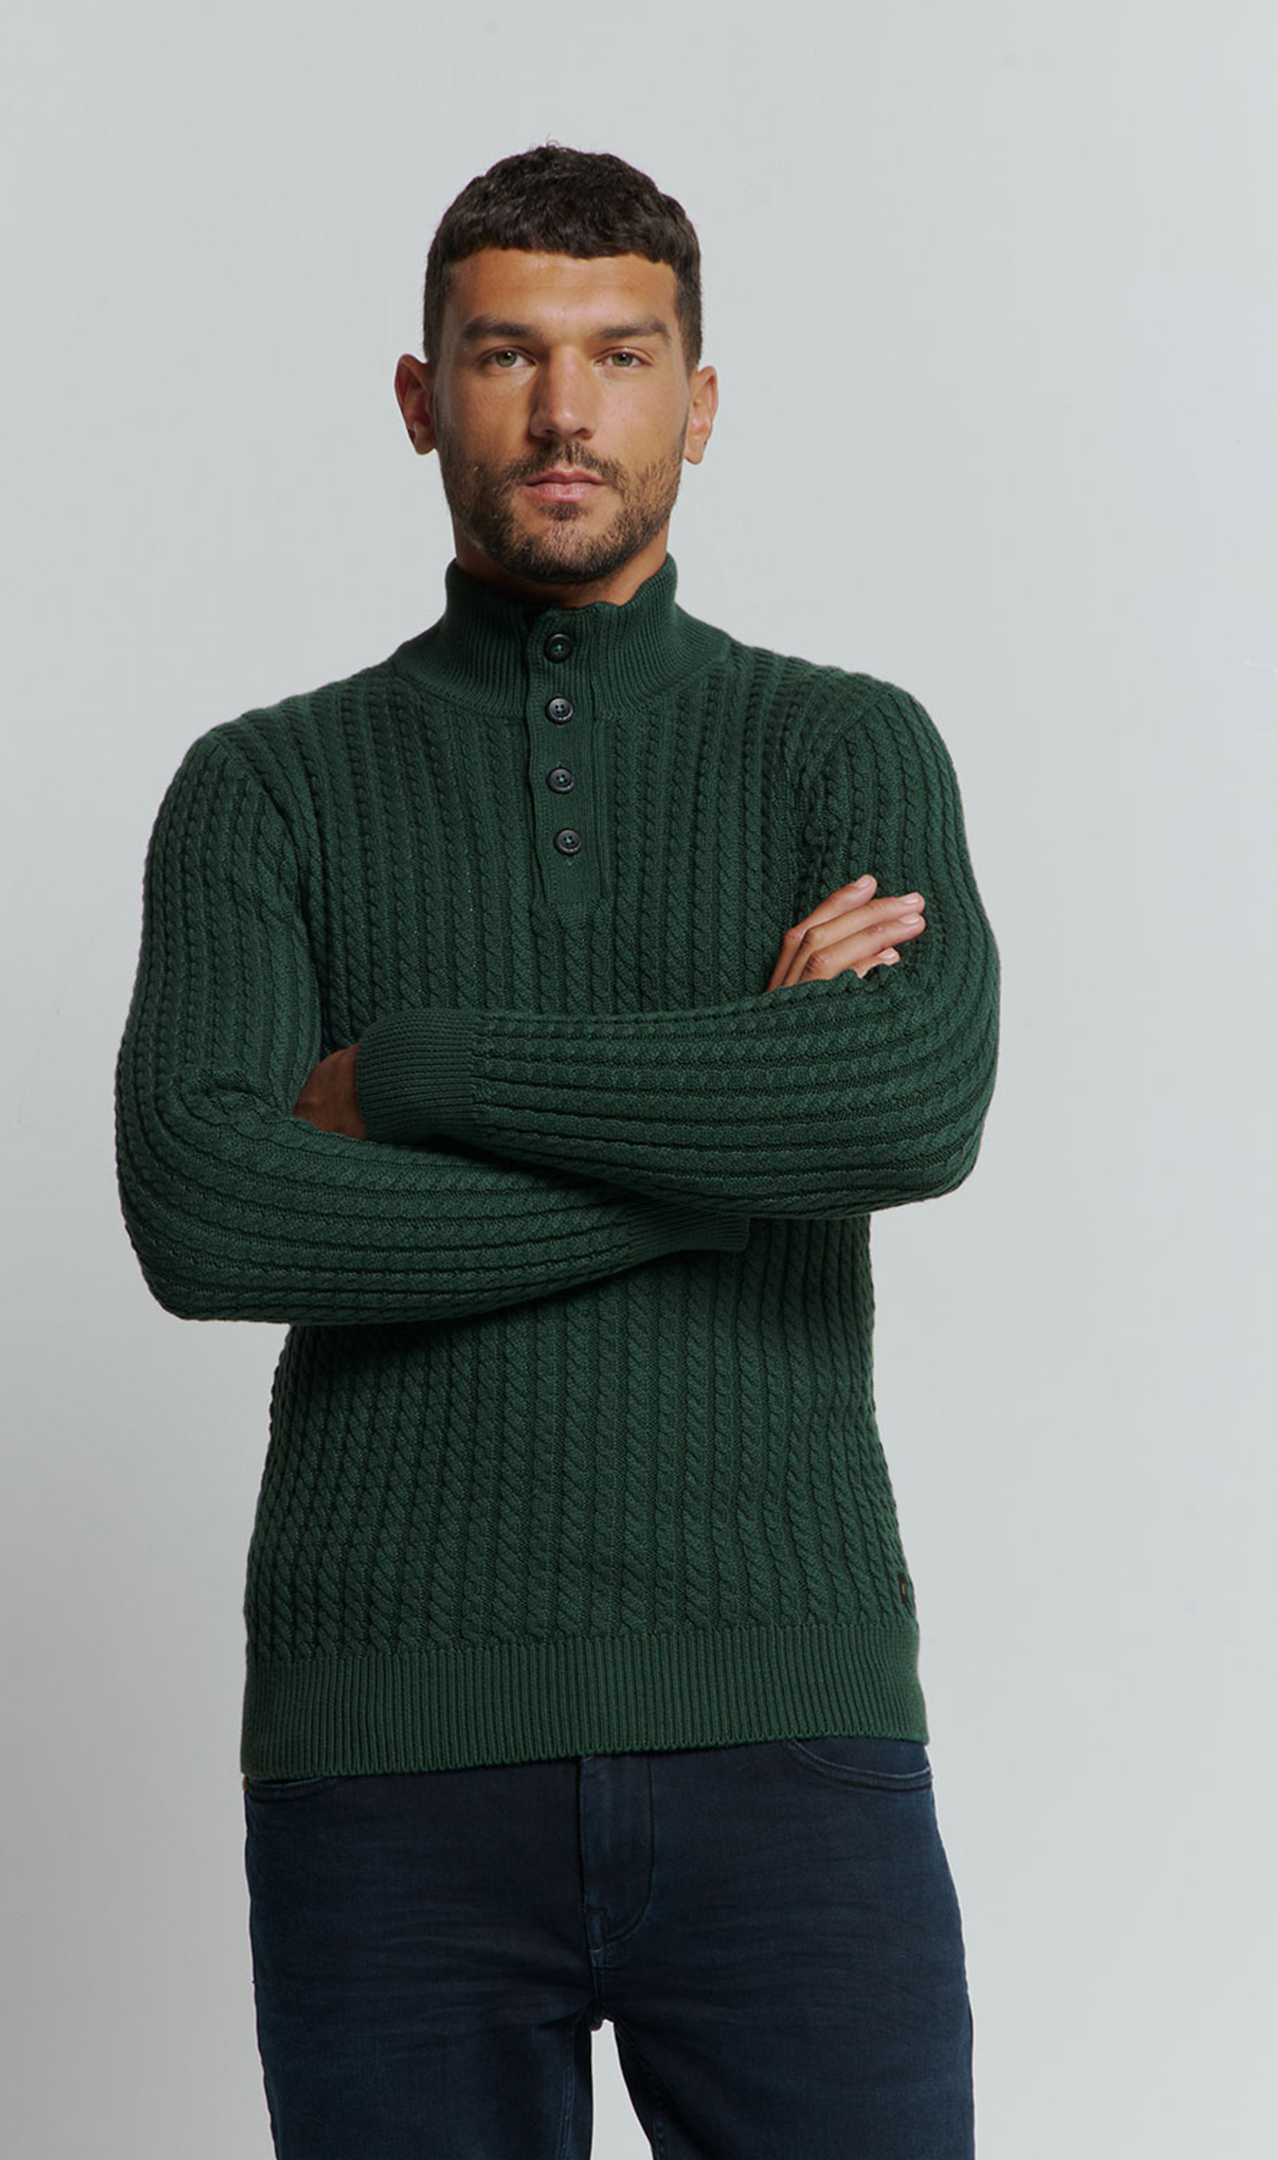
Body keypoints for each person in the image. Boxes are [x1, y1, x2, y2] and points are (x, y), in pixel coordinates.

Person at [115, 143, 1001, 2160]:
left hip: (788, 1717)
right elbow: (210, 1206)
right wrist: (728, 1146)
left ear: (703, 400)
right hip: (386, 1745)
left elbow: (906, 1104)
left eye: (621, 354)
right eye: (507, 354)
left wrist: (418, 1069)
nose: (565, 408)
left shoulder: (844, 748)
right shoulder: (266, 790)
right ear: (420, 396)